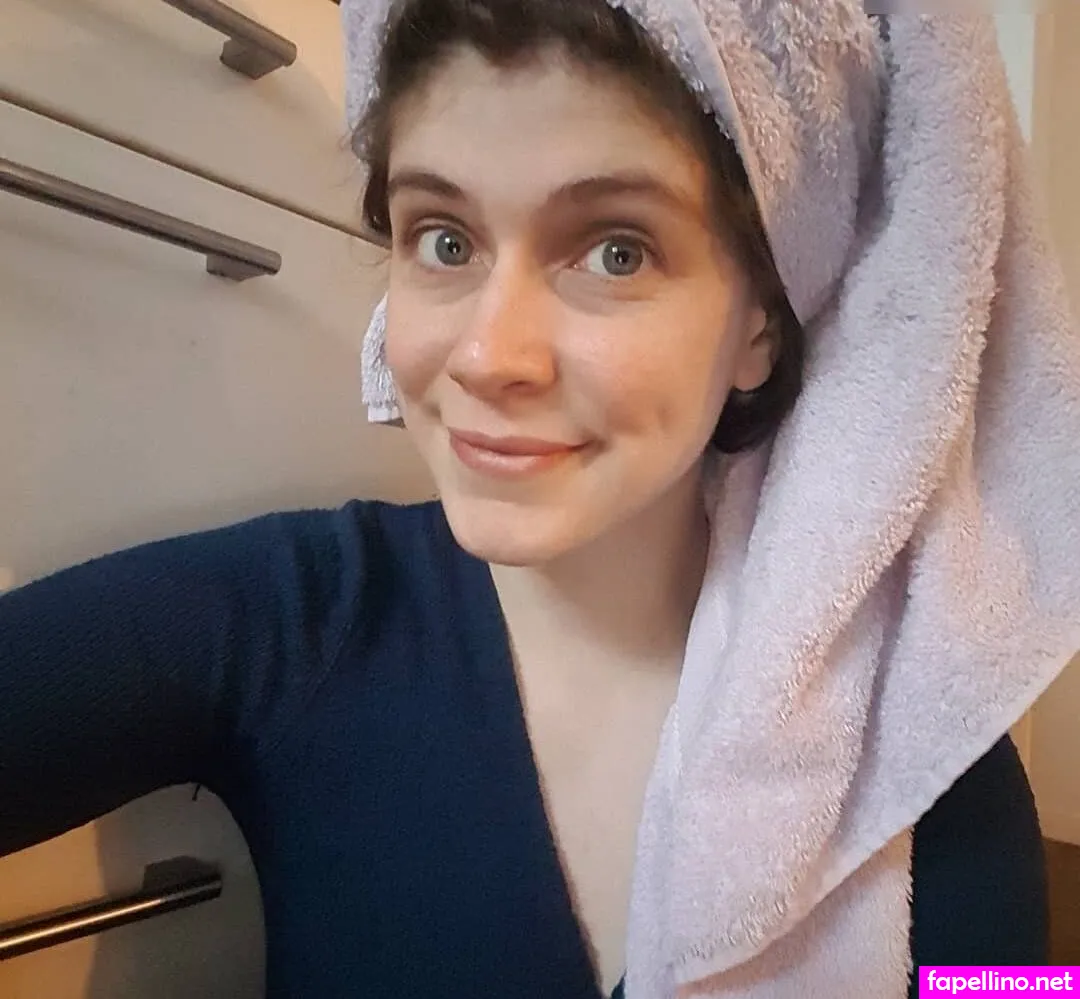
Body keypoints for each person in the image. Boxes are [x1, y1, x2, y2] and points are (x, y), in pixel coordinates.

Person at [0, 1, 1059, 998]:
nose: (486, 355)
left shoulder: (924, 751)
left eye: (615, 251)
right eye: (444, 240)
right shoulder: (290, 622)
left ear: (761, 326)